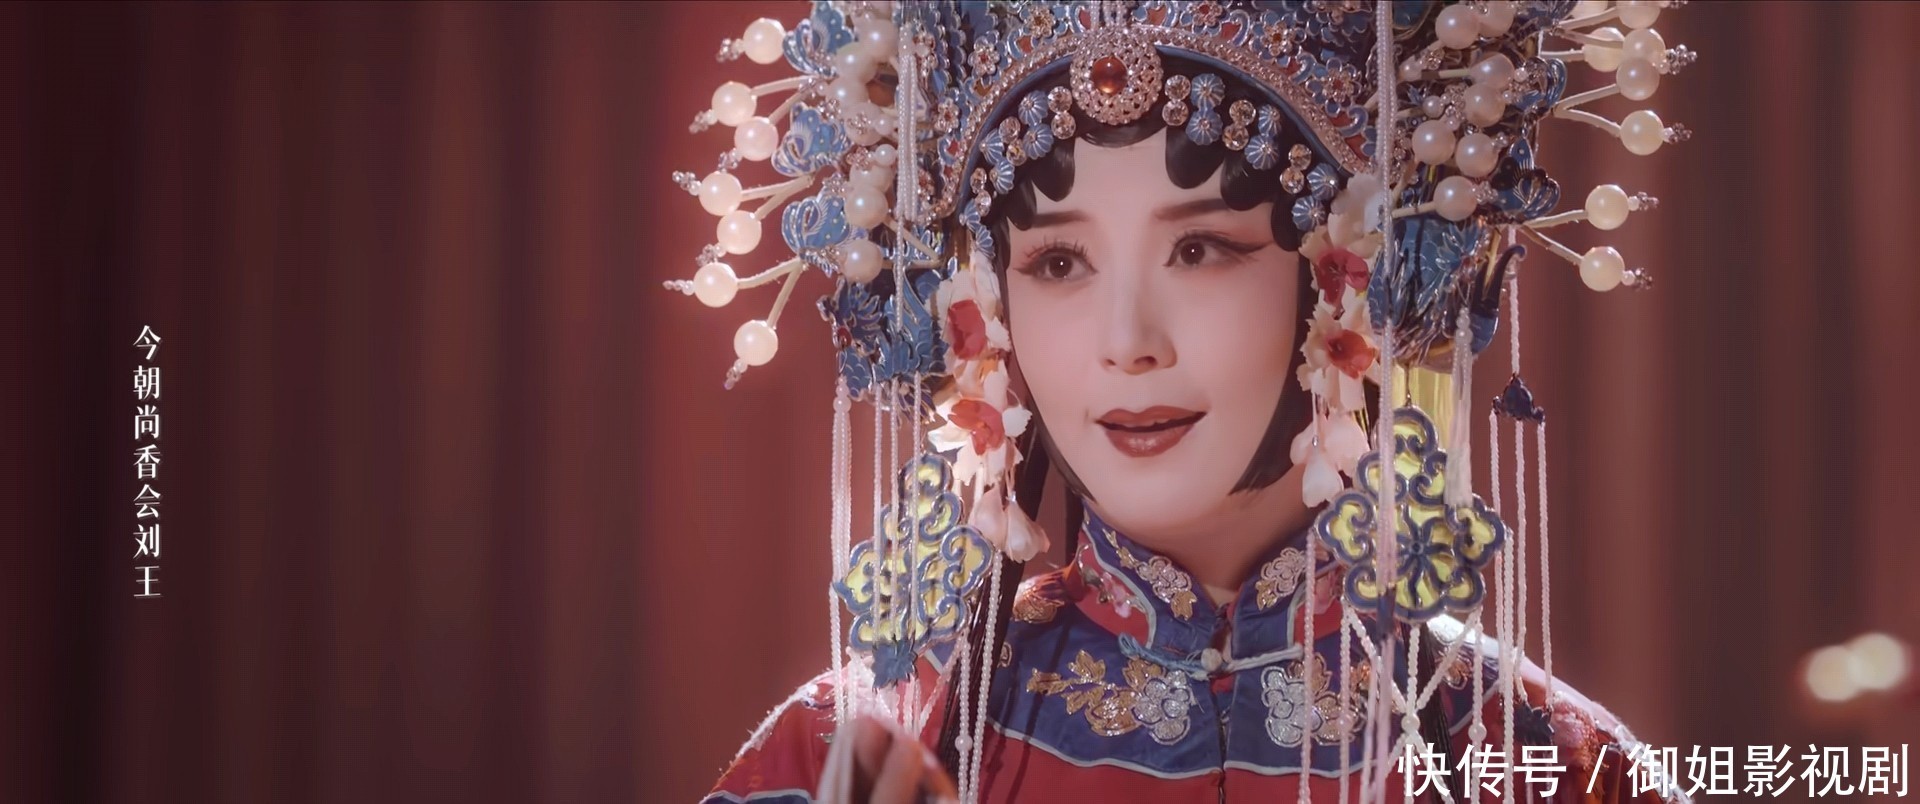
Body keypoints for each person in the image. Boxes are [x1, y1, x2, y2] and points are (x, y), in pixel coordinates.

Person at [672, 2, 1695, 802]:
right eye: (1060, 262)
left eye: (1201, 249)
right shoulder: (843, 762)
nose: (1128, 342)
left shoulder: (1544, 765)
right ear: (987, 310)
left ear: (1343, 279)